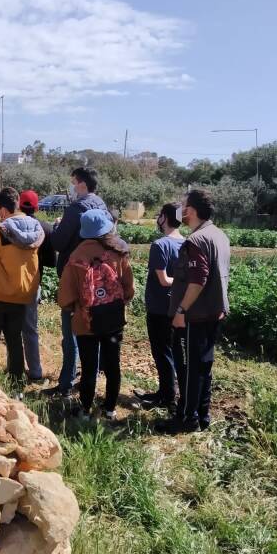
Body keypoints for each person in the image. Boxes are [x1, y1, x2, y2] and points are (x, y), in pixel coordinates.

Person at [156, 189, 230, 434]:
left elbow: (198, 280)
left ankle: (186, 418)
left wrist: (181, 310)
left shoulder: (196, 241)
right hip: (214, 313)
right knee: (203, 367)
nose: (180, 210)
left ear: (192, 210)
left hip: (194, 316)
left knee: (188, 369)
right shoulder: (219, 235)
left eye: (184, 206)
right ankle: (202, 414)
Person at [57, 209, 134, 419]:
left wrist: (76, 308)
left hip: (86, 321)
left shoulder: (76, 256)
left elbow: (65, 296)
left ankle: (85, 409)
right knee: (113, 364)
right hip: (114, 319)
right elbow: (129, 288)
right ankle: (110, 409)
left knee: (89, 366)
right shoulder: (118, 251)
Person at [50, 167, 113, 397]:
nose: (72, 187)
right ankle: (89, 381)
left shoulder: (76, 209)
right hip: (99, 279)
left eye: (73, 182)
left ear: (82, 185)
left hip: (76, 278)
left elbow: (58, 242)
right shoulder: (102, 206)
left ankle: (66, 384)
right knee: (92, 331)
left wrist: (57, 226)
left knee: (72, 334)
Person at [0, 188, 44, 395]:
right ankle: (16, 387)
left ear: (3, 210)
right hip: (21, 294)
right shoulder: (36, 228)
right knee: (15, 341)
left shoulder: (1, 231)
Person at [136, 203, 184, 411]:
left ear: (164, 217)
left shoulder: (160, 245)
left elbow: (163, 280)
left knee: (162, 352)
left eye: (159, 215)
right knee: (172, 351)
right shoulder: (186, 243)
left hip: (159, 306)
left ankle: (167, 396)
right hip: (178, 306)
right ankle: (167, 392)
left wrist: (178, 280)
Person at [18, 189, 55, 383]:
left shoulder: (10, 225)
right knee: (30, 328)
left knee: (11, 328)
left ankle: (14, 368)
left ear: (18, 205)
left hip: (11, 282)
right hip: (33, 283)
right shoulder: (46, 228)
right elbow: (52, 262)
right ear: (37, 207)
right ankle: (35, 371)